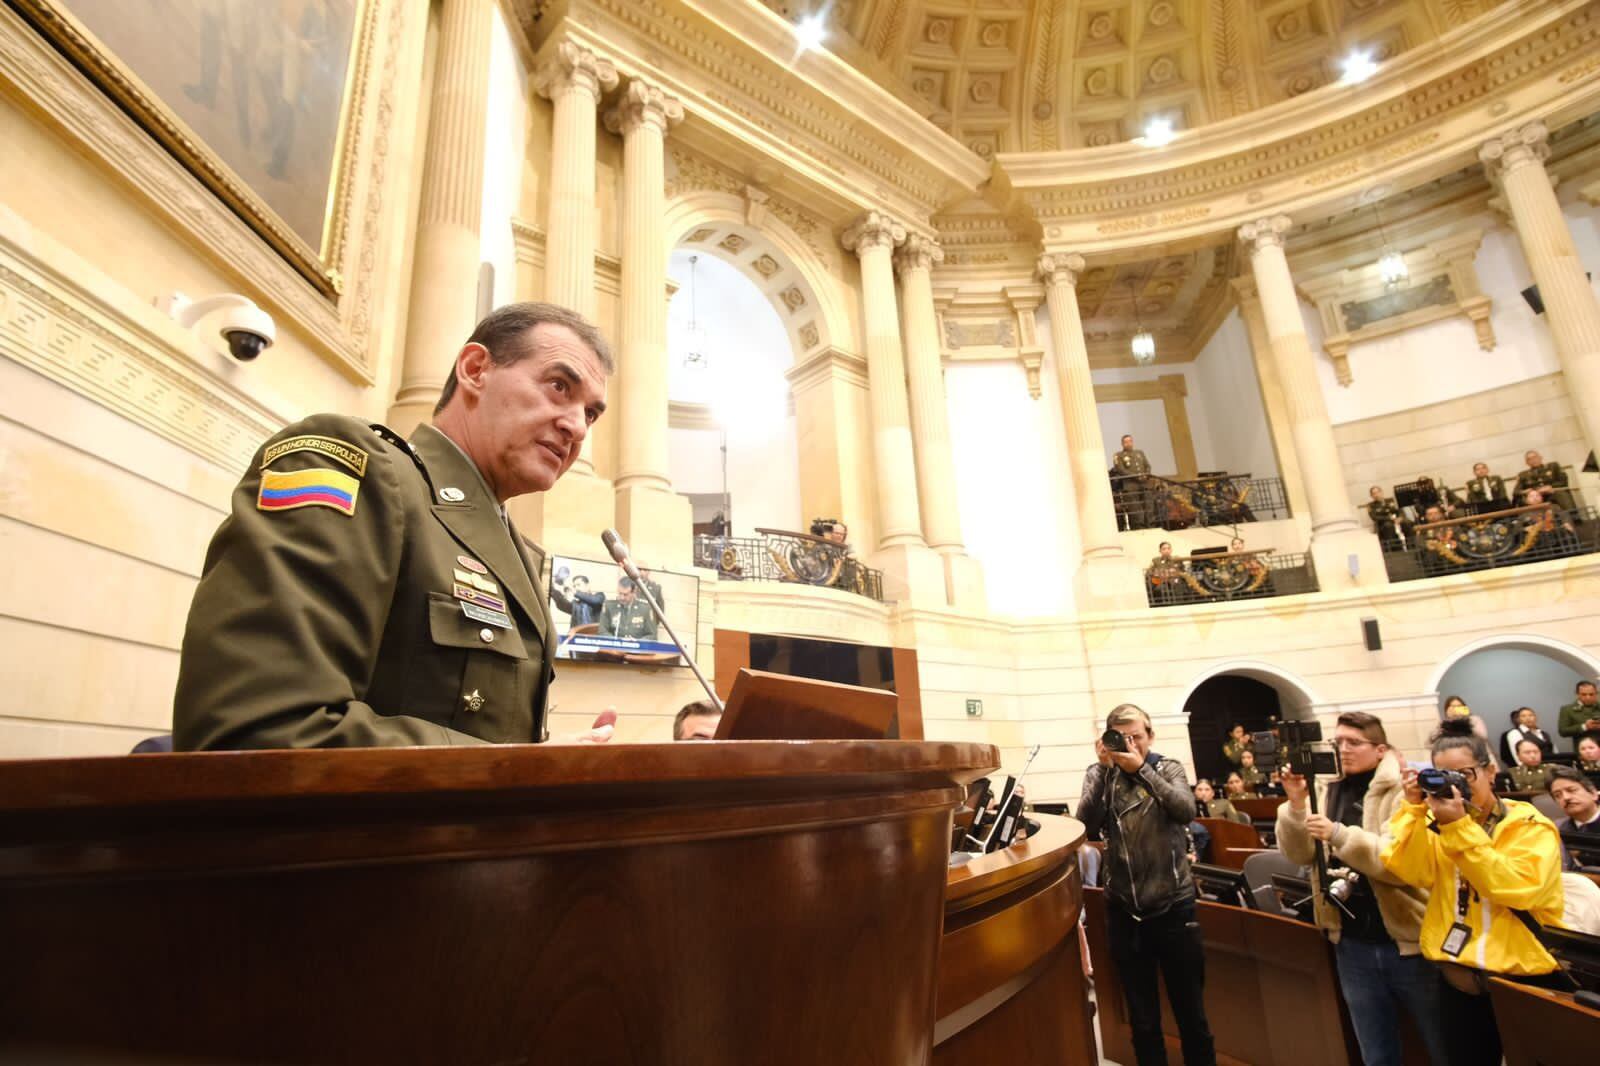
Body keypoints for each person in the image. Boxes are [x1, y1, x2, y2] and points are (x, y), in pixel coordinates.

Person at [173, 302, 614, 750]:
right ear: (476, 369)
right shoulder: (360, 470)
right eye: (559, 386)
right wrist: (524, 771)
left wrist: (545, 761)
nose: (577, 427)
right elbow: (256, 729)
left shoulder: (516, 552)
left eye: (592, 413)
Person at [1381, 718, 1566, 1066]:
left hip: (1523, 979)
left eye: (1464, 775)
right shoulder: (1437, 823)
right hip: (1458, 979)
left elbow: (1517, 890)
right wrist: (1413, 807)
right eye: (1442, 776)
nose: (1455, 787)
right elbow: (1409, 870)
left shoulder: (1529, 826)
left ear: (1490, 771)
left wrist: (1458, 828)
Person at [1276, 712, 1450, 1066]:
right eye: (1337, 742)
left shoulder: (1405, 792)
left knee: (1442, 1046)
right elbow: (1301, 854)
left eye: (1353, 742)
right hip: (1351, 942)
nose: (1343, 749)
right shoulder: (1325, 789)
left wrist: (1339, 834)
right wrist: (1296, 804)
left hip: (1408, 942)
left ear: (1380, 748)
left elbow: (1397, 865)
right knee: (1376, 1053)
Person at [1076, 704, 1215, 1066]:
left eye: (1137, 736)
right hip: (1124, 914)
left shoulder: (1167, 768)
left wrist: (1143, 771)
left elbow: (1186, 810)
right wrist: (1108, 772)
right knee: (1142, 1022)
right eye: (1122, 738)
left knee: (1192, 1018)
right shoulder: (1099, 774)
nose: (1131, 743)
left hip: (1174, 908)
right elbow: (1086, 825)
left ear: (1150, 736)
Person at [1547, 766, 1600, 871]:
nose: (1565, 798)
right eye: (1558, 795)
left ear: (1593, 793)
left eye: (1571, 790)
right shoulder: (1555, 829)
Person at [1558, 680, 1600, 748]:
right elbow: (1563, 731)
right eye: (1584, 694)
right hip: (1584, 750)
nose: (1588, 697)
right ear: (1577, 694)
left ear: (1596, 693)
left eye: (1591, 694)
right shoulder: (1567, 709)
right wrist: (1585, 726)